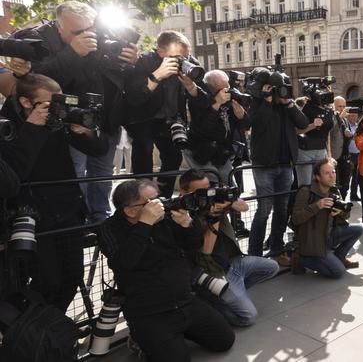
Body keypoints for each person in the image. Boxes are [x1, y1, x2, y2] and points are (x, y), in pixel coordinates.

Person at [13, 0, 138, 223]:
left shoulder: (102, 35)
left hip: (103, 118)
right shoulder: (36, 38)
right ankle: (76, 219)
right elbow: (35, 82)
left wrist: (130, 61)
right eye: (77, 31)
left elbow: (115, 76)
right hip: (64, 123)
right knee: (75, 176)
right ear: (59, 26)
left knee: (102, 176)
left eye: (90, 30)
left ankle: (100, 218)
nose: (87, 36)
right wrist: (72, 52)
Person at [0, 73, 108, 311]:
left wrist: (85, 130)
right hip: (34, 218)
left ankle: (52, 332)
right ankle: (35, 336)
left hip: (68, 211)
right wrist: (32, 128)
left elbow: (99, 150)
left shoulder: (58, 118)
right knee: (47, 282)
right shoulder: (6, 124)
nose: (57, 108)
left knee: (71, 277)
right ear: (27, 102)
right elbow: (14, 173)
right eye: (51, 103)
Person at [99, 180, 234, 362]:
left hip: (185, 301)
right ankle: (145, 339)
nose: (161, 205)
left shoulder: (165, 218)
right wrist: (145, 224)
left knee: (224, 340)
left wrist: (187, 223)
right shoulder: (109, 228)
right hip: (150, 313)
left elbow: (194, 244)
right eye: (152, 202)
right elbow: (124, 263)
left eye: (160, 199)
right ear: (130, 211)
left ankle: (173, 338)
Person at [178, 169, 279, 326]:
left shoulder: (212, 197)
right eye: (201, 191)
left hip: (233, 263)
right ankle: (213, 303)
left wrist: (228, 201)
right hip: (213, 271)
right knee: (248, 316)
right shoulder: (182, 215)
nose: (207, 193)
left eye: (209, 187)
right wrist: (216, 217)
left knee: (272, 267)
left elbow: (244, 207)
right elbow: (206, 250)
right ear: (184, 192)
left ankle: (232, 293)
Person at [124, 31, 200, 198]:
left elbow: (202, 98)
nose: (182, 60)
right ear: (160, 52)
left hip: (171, 119)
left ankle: (163, 197)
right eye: (178, 57)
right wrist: (158, 75)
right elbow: (134, 97)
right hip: (144, 118)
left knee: (173, 157)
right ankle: (143, 198)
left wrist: (191, 85)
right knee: (143, 152)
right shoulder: (144, 62)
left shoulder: (190, 64)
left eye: (185, 56)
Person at [246, 67, 309, 264]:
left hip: (285, 164)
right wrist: (266, 100)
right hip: (264, 165)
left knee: (282, 209)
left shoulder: (286, 105)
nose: (279, 91)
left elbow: (303, 122)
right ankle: (254, 255)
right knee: (264, 209)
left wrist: (289, 103)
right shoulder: (256, 103)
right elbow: (257, 123)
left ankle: (276, 249)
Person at [291, 158, 362, 278]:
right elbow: (296, 219)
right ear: (317, 177)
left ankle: (339, 256)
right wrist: (317, 206)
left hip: (329, 236)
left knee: (359, 229)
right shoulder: (305, 192)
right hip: (313, 241)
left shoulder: (334, 191)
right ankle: (301, 259)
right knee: (338, 272)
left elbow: (347, 215)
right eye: (327, 173)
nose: (332, 176)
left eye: (333, 172)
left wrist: (340, 212)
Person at [185, 69, 248, 184]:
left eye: (227, 86)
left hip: (221, 151)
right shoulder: (200, 98)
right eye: (222, 89)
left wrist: (241, 115)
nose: (226, 90)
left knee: (230, 184)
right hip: (200, 150)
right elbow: (203, 128)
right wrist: (216, 104)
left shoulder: (229, 98)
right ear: (210, 88)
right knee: (210, 184)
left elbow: (246, 125)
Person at [295, 94, 333, 186]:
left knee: (321, 184)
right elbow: (297, 131)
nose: (326, 92)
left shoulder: (328, 110)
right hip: (306, 151)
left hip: (321, 150)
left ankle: (320, 201)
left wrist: (328, 154)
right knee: (305, 185)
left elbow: (327, 134)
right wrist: (313, 125)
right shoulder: (307, 108)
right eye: (324, 89)